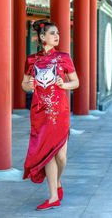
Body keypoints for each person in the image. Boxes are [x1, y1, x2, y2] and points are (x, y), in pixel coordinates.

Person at [21, 19, 79, 211]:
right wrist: (27, 86)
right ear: (42, 37)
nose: (57, 36)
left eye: (58, 33)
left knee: (61, 156)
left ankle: (58, 182)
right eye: (53, 33)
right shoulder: (31, 60)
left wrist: (64, 85)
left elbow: (76, 82)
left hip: (59, 111)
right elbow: (24, 84)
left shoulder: (64, 57)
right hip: (40, 112)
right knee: (48, 155)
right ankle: (53, 196)